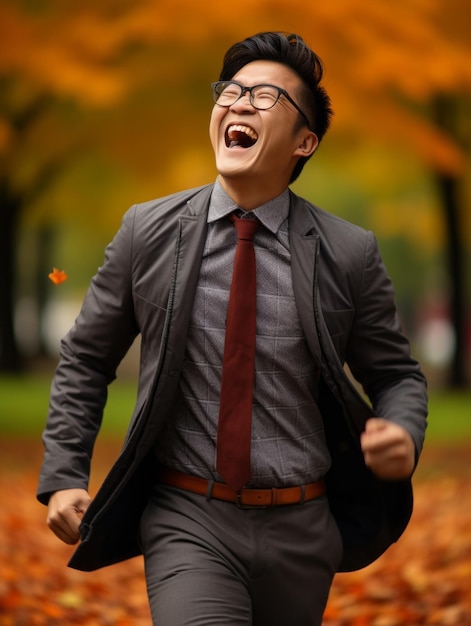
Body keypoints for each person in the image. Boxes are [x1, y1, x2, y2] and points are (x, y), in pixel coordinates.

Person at [38, 31, 428, 626]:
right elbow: (86, 359)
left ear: (305, 141)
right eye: (232, 91)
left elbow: (396, 373)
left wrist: (401, 433)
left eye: (266, 95)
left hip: (302, 527)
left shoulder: (348, 252)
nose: (240, 103)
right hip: (186, 516)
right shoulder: (147, 232)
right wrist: (64, 474)